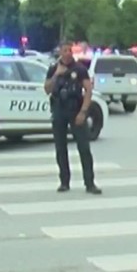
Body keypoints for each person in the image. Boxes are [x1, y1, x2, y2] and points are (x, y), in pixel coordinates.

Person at [44, 42, 101, 194]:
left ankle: (89, 183)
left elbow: (88, 90)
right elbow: (47, 89)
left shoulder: (80, 69)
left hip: (75, 110)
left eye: (70, 50)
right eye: (64, 50)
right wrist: (56, 74)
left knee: (84, 148)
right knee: (60, 148)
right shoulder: (53, 69)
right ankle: (64, 182)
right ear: (60, 52)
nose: (68, 53)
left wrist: (83, 112)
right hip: (59, 110)